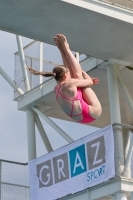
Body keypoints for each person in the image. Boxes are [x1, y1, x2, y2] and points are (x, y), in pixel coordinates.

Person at [28, 34, 102, 124]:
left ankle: (63, 50)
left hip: (82, 118)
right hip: (92, 112)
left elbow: (82, 81)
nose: (70, 74)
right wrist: (85, 76)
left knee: (77, 78)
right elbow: (89, 82)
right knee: (78, 76)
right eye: (68, 74)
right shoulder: (69, 84)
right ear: (66, 75)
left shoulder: (57, 89)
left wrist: (86, 81)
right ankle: (65, 49)